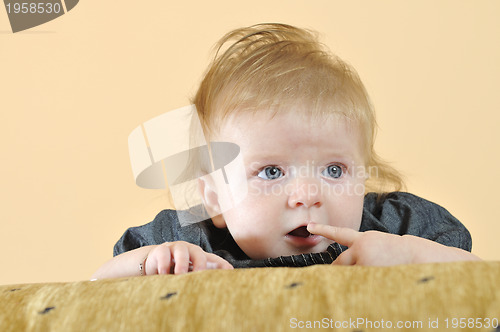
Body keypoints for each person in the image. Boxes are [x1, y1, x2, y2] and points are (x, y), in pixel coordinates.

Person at [92, 23, 479, 279]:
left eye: (334, 170)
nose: (308, 195)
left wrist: (410, 257)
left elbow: (483, 285)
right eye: (272, 172)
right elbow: (96, 286)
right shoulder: (195, 243)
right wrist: (154, 264)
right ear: (214, 198)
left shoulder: (394, 227)